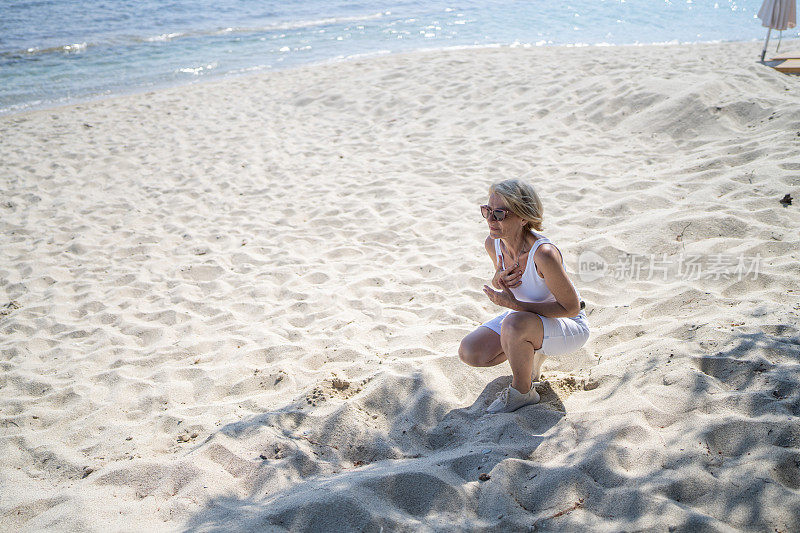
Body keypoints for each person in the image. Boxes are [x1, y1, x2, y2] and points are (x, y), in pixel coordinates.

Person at [459, 178, 590, 413]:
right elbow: (502, 281)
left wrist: (516, 305)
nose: (490, 219)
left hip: (568, 325)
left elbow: (571, 308)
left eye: (499, 213)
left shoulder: (544, 254)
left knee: (513, 321)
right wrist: (498, 277)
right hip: (526, 320)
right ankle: (531, 352)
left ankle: (522, 391)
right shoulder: (494, 244)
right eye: (487, 211)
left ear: (523, 217)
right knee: (470, 351)